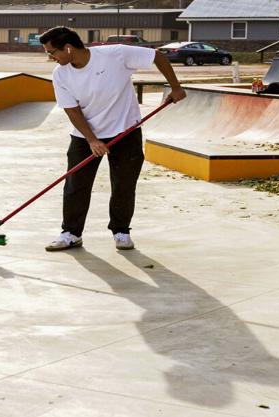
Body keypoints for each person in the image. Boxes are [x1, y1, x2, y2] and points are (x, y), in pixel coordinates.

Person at [40, 26, 186, 253]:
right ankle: (71, 233)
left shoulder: (114, 54)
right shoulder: (61, 74)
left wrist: (175, 87)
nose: (50, 57)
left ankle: (121, 231)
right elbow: (72, 110)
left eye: (52, 52)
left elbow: (156, 55)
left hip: (125, 131)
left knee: (123, 184)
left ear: (68, 48)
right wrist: (92, 140)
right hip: (84, 136)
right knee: (76, 186)